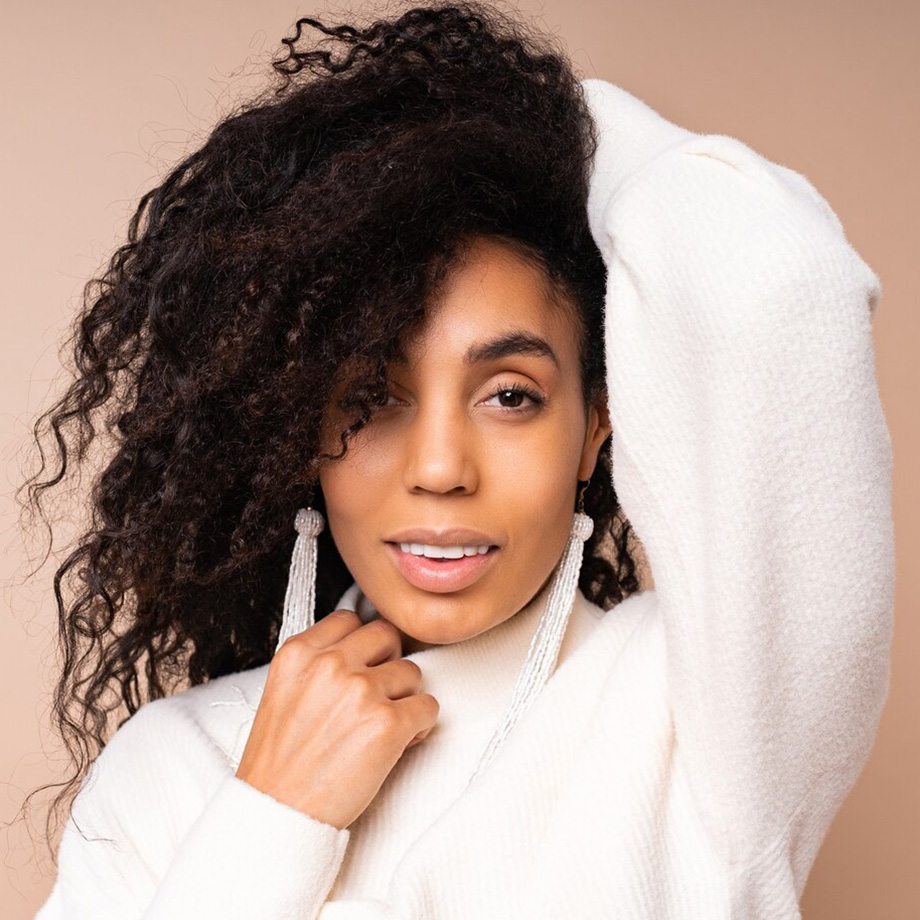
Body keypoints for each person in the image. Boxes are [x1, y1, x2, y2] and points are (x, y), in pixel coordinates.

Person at [22, 3, 894, 919]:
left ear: (597, 424)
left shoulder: (704, 718)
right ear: (300, 428)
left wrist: (550, 132)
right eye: (372, 396)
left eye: (510, 395)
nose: (440, 469)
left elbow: (780, 283)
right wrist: (273, 816)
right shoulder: (178, 765)